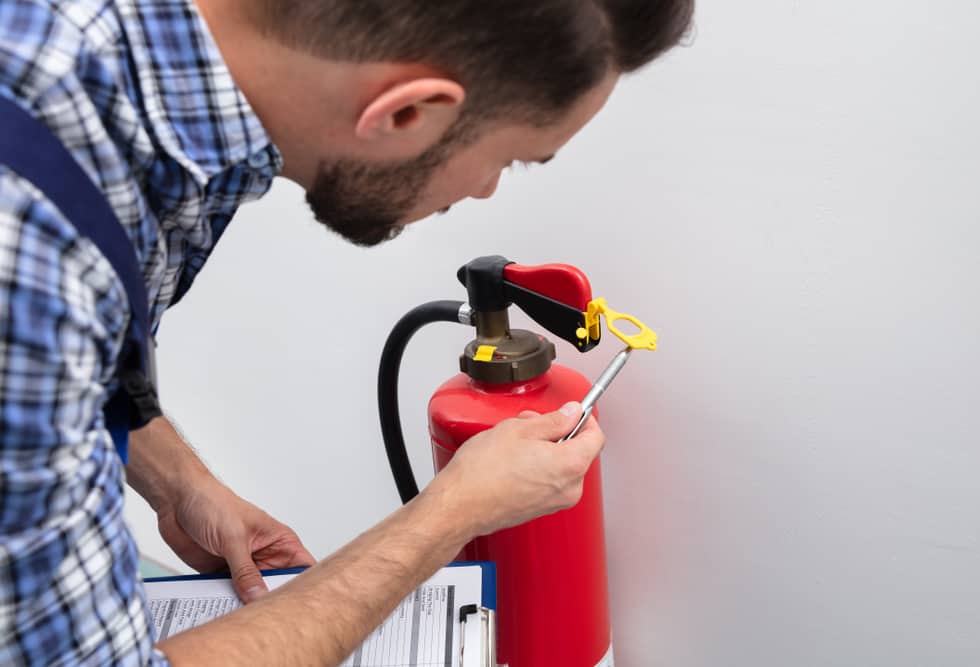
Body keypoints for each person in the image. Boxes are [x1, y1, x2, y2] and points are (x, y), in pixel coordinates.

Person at [0, 0, 694, 663]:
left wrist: (181, 481)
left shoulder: (140, 86)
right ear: (408, 112)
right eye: (509, 160)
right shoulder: (30, 258)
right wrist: (452, 511)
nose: (485, 191)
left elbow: (69, 370)